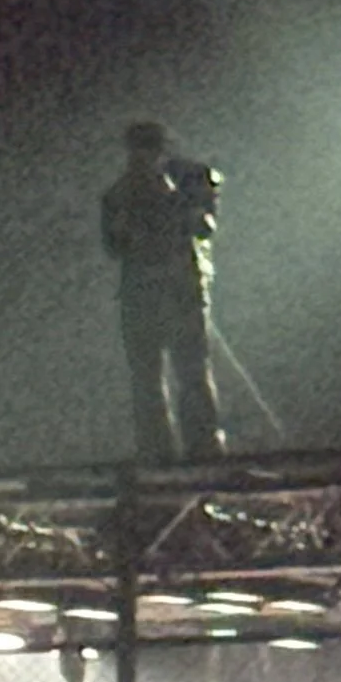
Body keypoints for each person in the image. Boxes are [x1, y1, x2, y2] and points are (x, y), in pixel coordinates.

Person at [101, 119, 225, 461]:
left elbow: (203, 226)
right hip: (141, 292)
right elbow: (113, 245)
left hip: (180, 288)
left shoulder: (190, 179)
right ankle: (157, 450)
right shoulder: (119, 193)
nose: (141, 158)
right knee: (147, 377)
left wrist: (168, 199)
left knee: (191, 370)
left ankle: (204, 447)